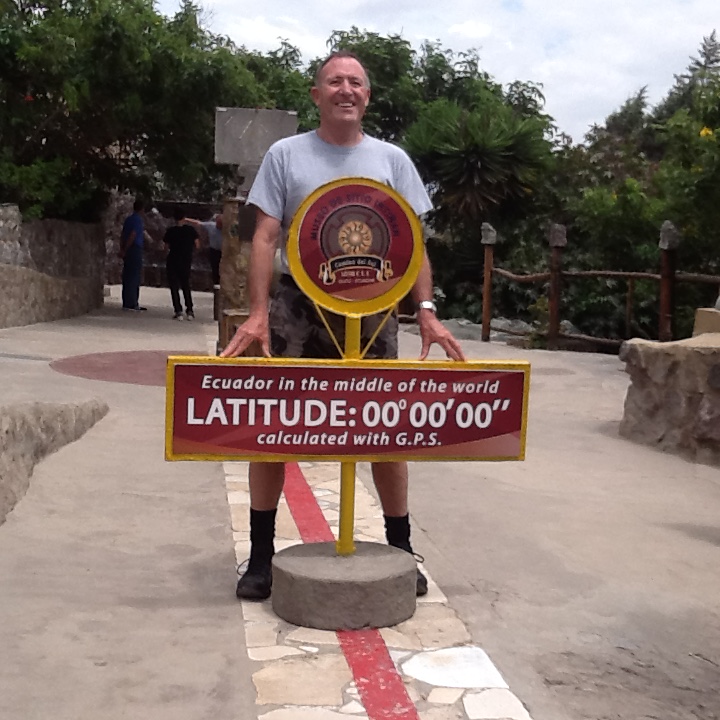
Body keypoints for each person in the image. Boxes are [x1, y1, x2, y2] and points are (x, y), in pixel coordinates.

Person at [221, 50, 466, 601]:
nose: (346, 89)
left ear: (368, 96)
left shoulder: (392, 160)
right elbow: (263, 237)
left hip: (374, 307)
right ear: (317, 95)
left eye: (356, 82)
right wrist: (258, 312)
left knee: (385, 429)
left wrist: (425, 309)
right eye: (335, 81)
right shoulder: (285, 155)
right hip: (296, 305)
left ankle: (401, 550)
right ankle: (261, 559)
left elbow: (413, 241)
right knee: (275, 428)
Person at [163, 206, 200, 320]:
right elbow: (197, 245)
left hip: (173, 259)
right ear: (184, 217)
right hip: (186, 260)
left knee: (174, 286)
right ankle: (190, 310)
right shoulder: (191, 230)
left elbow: (165, 247)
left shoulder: (170, 231)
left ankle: (178, 311)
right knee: (185, 285)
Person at [119, 199, 149, 311]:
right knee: (134, 276)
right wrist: (126, 248)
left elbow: (123, 235)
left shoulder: (128, 219)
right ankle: (132, 303)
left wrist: (122, 248)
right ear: (142, 209)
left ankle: (127, 301)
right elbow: (133, 234)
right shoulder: (138, 220)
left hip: (128, 248)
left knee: (127, 275)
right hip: (134, 248)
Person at [185, 214, 223, 286]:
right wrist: (186, 219)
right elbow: (198, 223)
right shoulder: (211, 226)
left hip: (224, 251)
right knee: (214, 267)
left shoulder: (226, 230)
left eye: (221, 223)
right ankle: (216, 284)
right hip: (214, 250)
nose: (219, 225)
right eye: (218, 223)